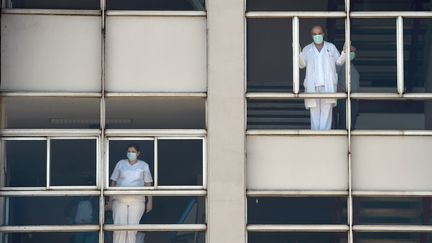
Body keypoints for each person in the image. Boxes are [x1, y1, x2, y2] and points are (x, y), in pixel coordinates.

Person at [299, 25, 347, 130]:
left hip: (327, 86)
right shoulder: (307, 49)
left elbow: (339, 62)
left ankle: (325, 138)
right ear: (311, 36)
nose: (317, 36)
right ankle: (315, 139)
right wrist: (297, 54)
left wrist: (344, 53)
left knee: (326, 115)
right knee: (314, 115)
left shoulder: (331, 47)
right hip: (313, 87)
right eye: (315, 34)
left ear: (323, 34)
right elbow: (301, 65)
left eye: (319, 33)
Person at [108, 143, 153, 243]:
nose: (130, 153)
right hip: (120, 199)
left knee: (132, 229)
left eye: (133, 152)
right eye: (129, 151)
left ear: (138, 153)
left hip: (137, 200)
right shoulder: (120, 163)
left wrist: (150, 201)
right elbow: (113, 182)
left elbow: (148, 184)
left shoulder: (144, 165)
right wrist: (110, 200)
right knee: (119, 229)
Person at [337, 45, 360, 129]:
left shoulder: (351, 66)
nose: (352, 53)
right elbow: (333, 78)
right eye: (350, 51)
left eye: (353, 52)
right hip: (344, 99)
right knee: (344, 124)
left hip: (353, 100)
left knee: (351, 124)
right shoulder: (340, 64)